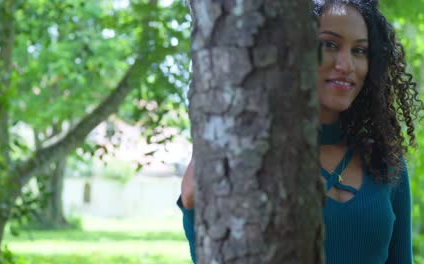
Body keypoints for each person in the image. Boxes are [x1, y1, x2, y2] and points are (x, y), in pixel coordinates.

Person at [176, 0, 423, 263]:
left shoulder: (385, 161)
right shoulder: (255, 154)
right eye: (329, 44)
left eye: (360, 50)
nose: (346, 64)